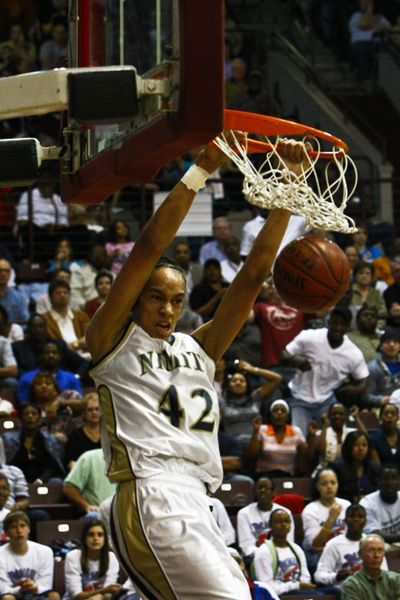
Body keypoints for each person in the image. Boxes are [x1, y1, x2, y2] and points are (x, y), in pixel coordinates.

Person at [86, 136, 311, 599]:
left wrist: (290, 186)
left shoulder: (199, 347)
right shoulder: (111, 339)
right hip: (153, 496)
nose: (167, 310)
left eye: (176, 301)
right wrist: (199, 171)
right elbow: (149, 246)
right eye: (155, 297)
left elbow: (252, 276)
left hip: (202, 501)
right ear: (133, 299)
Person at [279, 306, 369, 435]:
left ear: (348, 327)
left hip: (326, 400)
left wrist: (356, 389)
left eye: (342, 324)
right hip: (299, 397)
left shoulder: (353, 354)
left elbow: (364, 379)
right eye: (335, 323)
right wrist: (296, 360)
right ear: (328, 322)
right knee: (298, 437)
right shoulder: (309, 337)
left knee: (330, 439)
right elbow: (283, 355)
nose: (337, 327)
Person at [315, 503, 387, 589]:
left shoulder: (373, 542)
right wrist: (336, 577)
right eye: (352, 516)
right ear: (345, 521)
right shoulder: (333, 544)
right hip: (344, 591)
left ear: (365, 522)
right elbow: (319, 576)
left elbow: (385, 572)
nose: (356, 519)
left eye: (360, 516)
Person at [253, 508, 316, 596]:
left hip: (298, 591)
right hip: (278, 595)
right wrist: (296, 586)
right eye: (278, 521)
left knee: (332, 591)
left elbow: (305, 577)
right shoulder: (263, 552)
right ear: (270, 525)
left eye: (286, 521)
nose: (283, 524)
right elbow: (267, 587)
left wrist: (301, 585)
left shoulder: (297, 549)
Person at [12, 313, 89, 382]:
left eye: (40, 326)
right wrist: (32, 379)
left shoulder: (59, 345)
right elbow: (15, 370)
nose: (37, 329)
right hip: (30, 384)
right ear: (28, 329)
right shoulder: (18, 347)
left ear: (46, 328)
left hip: (61, 384)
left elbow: (83, 363)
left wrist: (75, 377)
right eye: (34, 326)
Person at [0, 511, 59, 600]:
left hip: (37, 594)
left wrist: (35, 587)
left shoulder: (45, 551)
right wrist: (21, 589)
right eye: (13, 527)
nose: (19, 531)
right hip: (14, 595)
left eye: (22, 526)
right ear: (6, 533)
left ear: (29, 529)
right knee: (7, 598)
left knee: (54, 596)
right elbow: (3, 589)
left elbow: (46, 585)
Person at [220, 360, 282, 444]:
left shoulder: (254, 397)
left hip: (256, 443)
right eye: (234, 381)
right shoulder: (221, 402)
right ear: (228, 386)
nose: (238, 383)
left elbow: (277, 379)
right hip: (232, 445)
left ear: (247, 385)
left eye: (242, 381)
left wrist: (252, 369)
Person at [302, 467, 350, 573]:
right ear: (317, 486)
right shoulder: (310, 510)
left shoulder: (346, 505)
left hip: (343, 549)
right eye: (324, 484)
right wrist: (331, 518)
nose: (329, 487)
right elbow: (316, 545)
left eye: (333, 483)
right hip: (317, 554)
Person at [2, 403, 66, 483]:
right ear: (20, 419)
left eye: (34, 414)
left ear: (40, 419)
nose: (30, 416)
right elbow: (7, 465)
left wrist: (40, 480)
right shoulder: (8, 440)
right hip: (16, 480)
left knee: (56, 481)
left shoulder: (50, 440)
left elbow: (52, 466)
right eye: (26, 414)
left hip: (43, 480)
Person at [246, 399, 309, 477]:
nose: (279, 413)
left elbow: (307, 455)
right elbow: (251, 454)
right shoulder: (262, 429)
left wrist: (312, 436)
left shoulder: (296, 431)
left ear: (288, 417)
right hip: (265, 475)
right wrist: (255, 431)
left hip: (288, 476)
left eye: (283, 411)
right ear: (271, 416)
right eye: (275, 411)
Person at [237, 478, 295, 560]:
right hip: (254, 556)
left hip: (281, 554)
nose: (263, 490)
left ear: (274, 493)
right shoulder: (244, 513)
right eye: (259, 488)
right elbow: (246, 545)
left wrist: (276, 554)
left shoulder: (284, 513)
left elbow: (289, 540)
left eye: (266, 488)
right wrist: (265, 554)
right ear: (255, 493)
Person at [63, 518, 121, 600]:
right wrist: (103, 591)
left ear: (105, 539)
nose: (95, 538)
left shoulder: (111, 557)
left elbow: (109, 593)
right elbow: (76, 595)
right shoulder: (72, 557)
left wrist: (101, 596)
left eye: (100, 535)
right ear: (84, 538)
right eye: (91, 535)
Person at [16, 341, 83, 405]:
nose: (51, 355)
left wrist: (59, 404)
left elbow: (80, 402)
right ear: (40, 356)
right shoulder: (26, 378)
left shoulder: (71, 378)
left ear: (59, 357)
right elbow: (23, 403)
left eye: (54, 352)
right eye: (47, 352)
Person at [342, 533, 400, 599]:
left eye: (380, 550)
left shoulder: (395, 579)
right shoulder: (351, 584)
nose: (376, 555)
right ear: (360, 554)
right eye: (371, 550)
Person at [63, 449, 116, 519]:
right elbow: (69, 488)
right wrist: (86, 506)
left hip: (122, 513)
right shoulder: (89, 457)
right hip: (97, 513)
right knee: (93, 516)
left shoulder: (131, 462)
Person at [329, 430, 381, 502]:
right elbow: (334, 493)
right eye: (356, 445)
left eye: (364, 445)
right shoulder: (337, 468)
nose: (361, 449)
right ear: (348, 447)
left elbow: (378, 491)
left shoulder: (374, 468)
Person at [42, 279, 90, 356]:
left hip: (85, 356)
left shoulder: (80, 315)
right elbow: (54, 348)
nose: (62, 295)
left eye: (65, 292)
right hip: (60, 359)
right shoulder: (44, 319)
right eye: (58, 293)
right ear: (50, 297)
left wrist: (72, 346)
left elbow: (89, 339)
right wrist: (77, 344)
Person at [359, 465, 400, 545]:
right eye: (386, 479)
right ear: (378, 481)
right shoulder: (367, 503)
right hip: (378, 548)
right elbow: (375, 534)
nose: (390, 482)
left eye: (394, 478)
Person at [64, 392, 101, 471]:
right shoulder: (75, 435)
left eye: (97, 409)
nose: (94, 412)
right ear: (84, 413)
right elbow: (70, 461)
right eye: (90, 410)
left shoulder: (109, 435)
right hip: (82, 474)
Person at [366, 330, 400, 407]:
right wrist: (381, 400)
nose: (392, 344)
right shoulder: (372, 368)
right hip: (381, 409)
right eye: (387, 342)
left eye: (395, 342)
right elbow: (366, 396)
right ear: (381, 346)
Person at [0, 259, 29, 324]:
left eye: (6, 271)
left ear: (10, 274)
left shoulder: (20, 297)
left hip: (14, 332)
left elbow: (25, 321)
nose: (3, 274)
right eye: (0, 270)